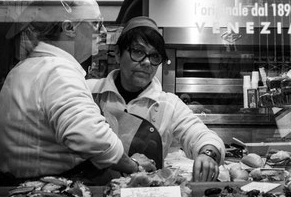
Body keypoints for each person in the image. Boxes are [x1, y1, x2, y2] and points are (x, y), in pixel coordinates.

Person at [0, 0, 151, 181]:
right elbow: (93, 139)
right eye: (96, 24)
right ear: (69, 27)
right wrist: (133, 166)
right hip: (55, 186)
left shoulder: (23, 69)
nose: (103, 32)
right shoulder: (58, 71)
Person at [87, 16, 225, 182]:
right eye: (138, 52)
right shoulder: (89, 91)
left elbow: (200, 134)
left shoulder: (168, 104)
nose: (147, 62)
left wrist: (208, 153)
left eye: (154, 56)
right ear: (117, 54)